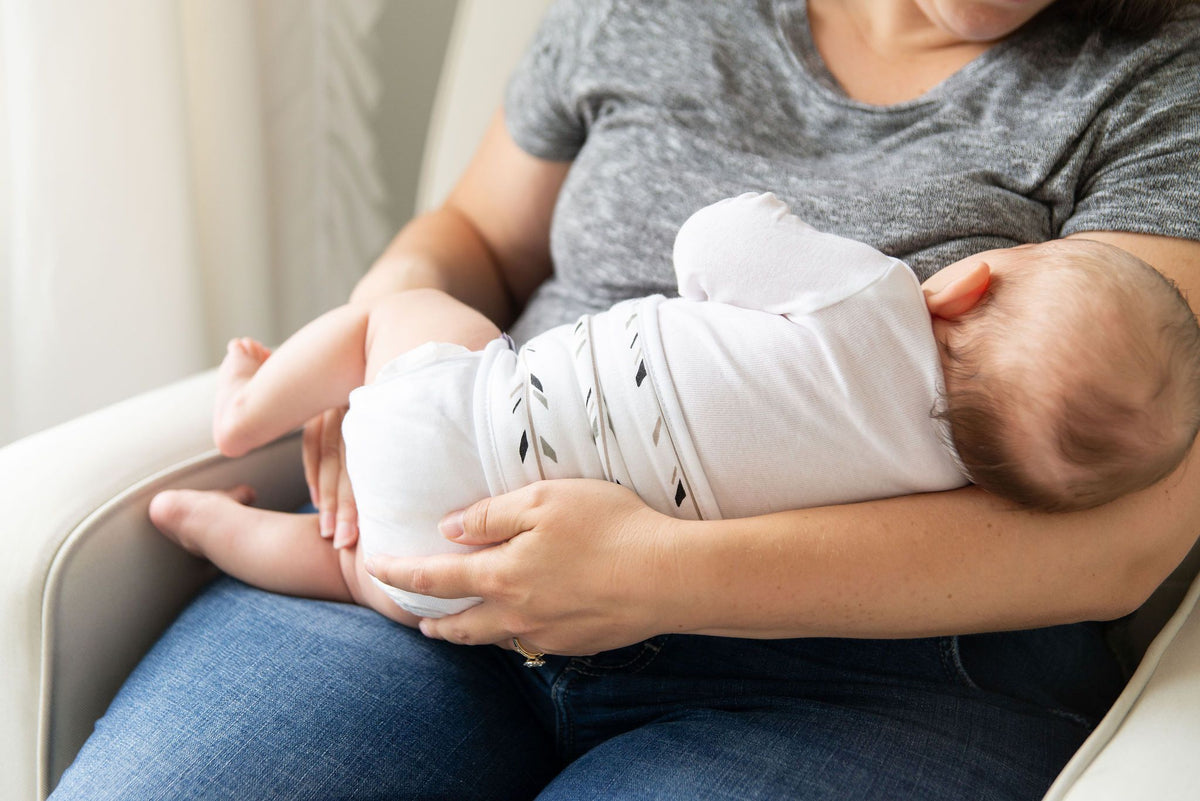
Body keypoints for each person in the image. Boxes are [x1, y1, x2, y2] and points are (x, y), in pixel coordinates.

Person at [51, 1, 1200, 799]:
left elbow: (1127, 530)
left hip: (866, 673)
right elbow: (469, 238)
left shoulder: (1163, 75)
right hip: (469, 506)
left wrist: (641, 572)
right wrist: (383, 344)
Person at [148, 191, 1200, 624]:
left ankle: (245, 416)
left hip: (465, 406)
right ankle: (230, 529)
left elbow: (714, 240)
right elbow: (469, 218)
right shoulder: (939, 481)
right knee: (366, 568)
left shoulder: (877, 301)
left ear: (972, 283)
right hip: (450, 585)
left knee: (402, 316)